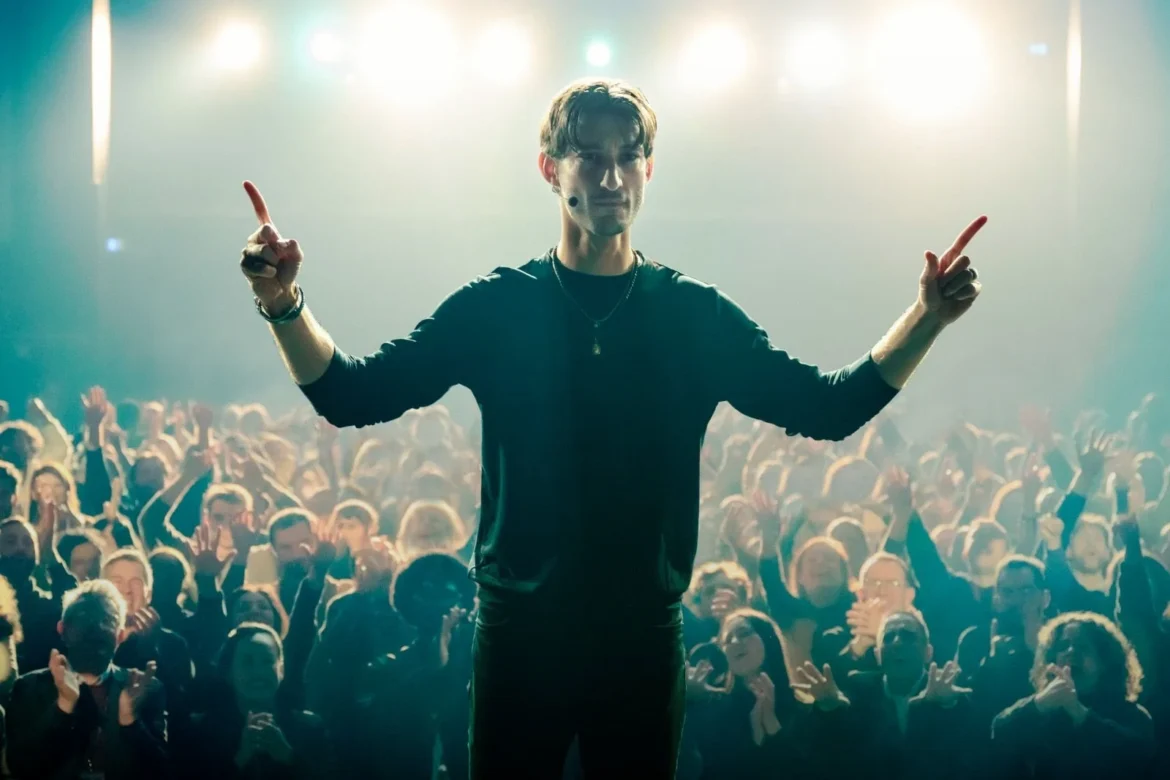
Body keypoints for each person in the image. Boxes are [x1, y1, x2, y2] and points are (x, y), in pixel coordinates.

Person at [236, 78, 986, 776]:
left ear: (649, 171)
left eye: (628, 158)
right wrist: (282, 304)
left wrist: (928, 317)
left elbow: (829, 407)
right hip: (521, 636)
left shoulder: (691, 314)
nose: (610, 177)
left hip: (641, 636)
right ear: (548, 169)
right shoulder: (500, 306)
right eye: (588, 158)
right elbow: (350, 394)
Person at [5, 579, 168, 779]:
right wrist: (63, 707)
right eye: (82, 618)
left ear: (120, 636)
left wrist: (131, 721)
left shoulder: (143, 688)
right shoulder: (29, 688)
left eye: (107, 621)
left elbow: (160, 770)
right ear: (62, 629)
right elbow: (21, 766)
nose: (94, 629)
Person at [799, 611, 975, 780]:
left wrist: (947, 707)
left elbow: (966, 761)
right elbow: (827, 760)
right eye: (888, 638)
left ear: (928, 652)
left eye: (908, 636)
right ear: (877, 655)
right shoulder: (857, 692)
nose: (897, 643)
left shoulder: (946, 693)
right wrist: (827, 710)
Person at [991, 611, 1155, 778]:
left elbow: (1135, 760)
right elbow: (1001, 734)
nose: (1070, 652)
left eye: (1082, 646)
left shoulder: (1132, 716)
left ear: (1105, 660)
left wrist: (1079, 713)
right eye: (1063, 647)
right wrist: (1036, 705)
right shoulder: (1043, 709)